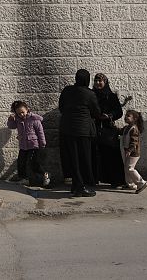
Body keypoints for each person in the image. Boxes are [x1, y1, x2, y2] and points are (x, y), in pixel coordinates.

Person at [58, 69, 101, 197]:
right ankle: (81, 187)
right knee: (83, 159)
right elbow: (96, 112)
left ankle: (76, 185)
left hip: (67, 129)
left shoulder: (67, 90)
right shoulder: (89, 93)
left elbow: (61, 107)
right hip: (83, 131)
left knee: (72, 158)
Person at [92, 73, 125, 188]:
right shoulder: (91, 95)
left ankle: (116, 180)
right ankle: (95, 180)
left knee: (111, 155)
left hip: (108, 130)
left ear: (105, 82)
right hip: (94, 128)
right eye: (96, 81)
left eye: (100, 81)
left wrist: (109, 116)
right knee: (95, 155)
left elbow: (119, 112)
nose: (97, 83)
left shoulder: (111, 96)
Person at [7, 100, 49, 187]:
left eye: (23, 112)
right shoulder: (18, 120)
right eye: (19, 113)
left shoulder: (34, 119)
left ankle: (45, 175)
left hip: (34, 145)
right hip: (23, 146)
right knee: (21, 162)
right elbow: (11, 126)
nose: (21, 115)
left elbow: (40, 132)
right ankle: (24, 179)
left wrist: (42, 143)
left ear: (27, 110)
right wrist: (10, 119)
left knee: (34, 162)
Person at [121, 109, 147, 194]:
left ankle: (141, 183)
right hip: (128, 151)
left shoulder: (134, 129)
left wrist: (130, 150)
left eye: (128, 116)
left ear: (135, 118)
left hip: (133, 153)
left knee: (130, 168)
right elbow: (121, 132)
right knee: (126, 168)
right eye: (125, 115)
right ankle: (130, 184)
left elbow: (134, 142)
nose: (125, 117)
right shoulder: (127, 127)